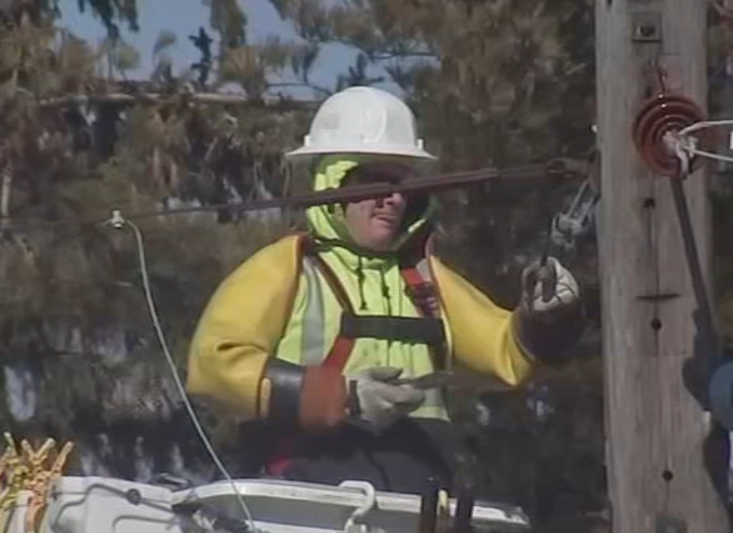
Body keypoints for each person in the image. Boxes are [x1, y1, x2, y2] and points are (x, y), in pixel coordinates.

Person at [186, 86, 583, 494]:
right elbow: (213, 367)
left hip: (417, 504)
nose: (392, 199)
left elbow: (507, 353)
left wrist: (546, 319)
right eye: (374, 182)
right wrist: (343, 397)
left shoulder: (426, 278)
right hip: (302, 501)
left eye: (401, 186)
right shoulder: (286, 267)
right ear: (332, 186)